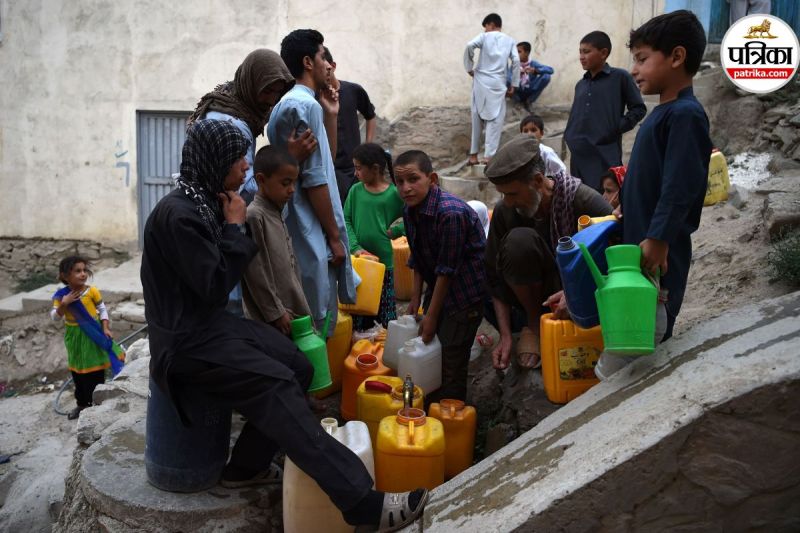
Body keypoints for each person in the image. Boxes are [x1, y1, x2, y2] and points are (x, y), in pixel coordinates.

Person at [141, 118, 427, 531]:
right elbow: (213, 288)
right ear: (213, 160)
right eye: (236, 159)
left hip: (207, 326)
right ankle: (361, 503)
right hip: (186, 344)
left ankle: (245, 468)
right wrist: (236, 227)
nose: (244, 167)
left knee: (297, 364)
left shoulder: (205, 200)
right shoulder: (181, 216)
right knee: (274, 383)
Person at [188, 48, 317, 315]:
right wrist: (288, 160)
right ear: (251, 82)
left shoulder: (232, 101)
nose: (271, 100)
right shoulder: (233, 122)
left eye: (276, 93)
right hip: (220, 218)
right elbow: (241, 189)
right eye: (266, 91)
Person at [484, 135, 612, 370]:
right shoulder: (506, 211)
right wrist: (504, 336)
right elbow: (493, 277)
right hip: (533, 299)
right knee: (518, 242)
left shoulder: (583, 201)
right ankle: (534, 323)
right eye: (503, 195)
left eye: (512, 194)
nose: (508, 202)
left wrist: (574, 292)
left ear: (538, 180)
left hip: (586, 292)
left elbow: (617, 260)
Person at [621, 10, 712, 340]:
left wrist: (659, 238)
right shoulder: (664, 113)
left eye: (642, 59)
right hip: (644, 245)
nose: (634, 69)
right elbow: (654, 177)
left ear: (676, 57)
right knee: (633, 331)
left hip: (661, 255)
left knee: (651, 333)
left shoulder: (685, 115)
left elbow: (680, 185)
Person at [267, 29, 357, 337]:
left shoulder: (297, 104)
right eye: (323, 57)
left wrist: (331, 115)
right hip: (308, 226)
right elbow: (315, 179)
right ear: (308, 62)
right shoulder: (304, 105)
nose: (329, 66)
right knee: (312, 323)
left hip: (301, 225)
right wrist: (334, 236)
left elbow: (324, 162)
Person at [395, 150, 487, 403]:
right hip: (438, 286)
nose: (406, 188)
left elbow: (447, 270)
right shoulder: (410, 210)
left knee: (451, 361)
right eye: (399, 181)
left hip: (464, 294)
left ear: (432, 178)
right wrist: (415, 299)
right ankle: (430, 409)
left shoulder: (450, 214)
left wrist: (431, 315)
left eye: (413, 179)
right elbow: (417, 256)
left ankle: (451, 419)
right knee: (431, 351)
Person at [241, 145, 311, 336]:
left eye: (294, 183)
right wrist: (276, 312)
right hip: (272, 319)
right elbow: (255, 271)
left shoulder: (276, 212)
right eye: (285, 183)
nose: (291, 190)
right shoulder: (254, 216)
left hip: (290, 312)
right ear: (261, 180)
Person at [564, 31, 646, 190]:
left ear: (603, 53)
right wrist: (570, 134)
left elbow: (638, 108)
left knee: (607, 199)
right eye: (580, 52)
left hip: (604, 153)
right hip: (579, 155)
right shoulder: (581, 84)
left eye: (586, 51)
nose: (581, 56)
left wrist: (615, 128)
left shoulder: (620, 77)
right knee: (582, 199)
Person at [51, 256, 125, 420]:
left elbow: (102, 309)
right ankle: (82, 404)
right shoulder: (61, 296)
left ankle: (98, 405)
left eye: (84, 270)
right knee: (78, 370)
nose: (83, 274)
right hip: (75, 337)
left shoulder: (91, 291)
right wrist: (65, 303)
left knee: (96, 369)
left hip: (94, 334)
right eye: (77, 271)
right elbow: (55, 318)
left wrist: (105, 327)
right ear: (64, 276)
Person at [344, 142, 404, 330]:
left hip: (384, 264)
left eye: (359, 168)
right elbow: (346, 220)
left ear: (375, 169)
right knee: (359, 312)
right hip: (359, 263)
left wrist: (395, 231)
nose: (355, 173)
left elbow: (412, 219)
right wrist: (355, 247)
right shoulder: (356, 191)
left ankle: (383, 353)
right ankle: (360, 352)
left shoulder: (393, 194)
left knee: (384, 315)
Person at [323, 47, 378, 206]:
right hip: (332, 168)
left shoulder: (353, 90)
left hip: (353, 167)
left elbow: (370, 115)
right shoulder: (317, 97)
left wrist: (367, 146)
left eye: (326, 68)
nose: (324, 73)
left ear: (333, 66)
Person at [464, 13, 520, 165]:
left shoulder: (484, 37)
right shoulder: (510, 41)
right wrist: (514, 84)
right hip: (498, 83)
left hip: (480, 80)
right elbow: (516, 61)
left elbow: (469, 45)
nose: (485, 30)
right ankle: (489, 156)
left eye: (486, 27)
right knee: (495, 120)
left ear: (491, 24)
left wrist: (469, 68)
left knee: (476, 117)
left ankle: (473, 156)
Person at [510, 41, 553, 111]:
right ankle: (518, 102)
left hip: (530, 88)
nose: (516, 54)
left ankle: (529, 101)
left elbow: (551, 70)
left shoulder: (533, 63)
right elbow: (508, 78)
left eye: (519, 52)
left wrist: (536, 71)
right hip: (518, 90)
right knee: (505, 79)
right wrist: (516, 75)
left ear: (527, 53)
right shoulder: (514, 64)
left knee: (546, 76)